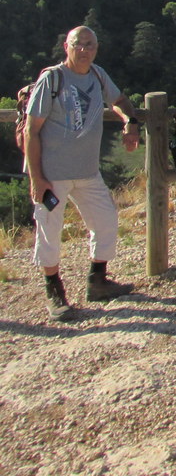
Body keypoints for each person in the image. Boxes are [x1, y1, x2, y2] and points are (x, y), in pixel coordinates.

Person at [24, 26, 139, 320]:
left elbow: (121, 101)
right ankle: (54, 291)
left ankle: (97, 281)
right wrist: (37, 177)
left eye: (90, 45)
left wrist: (131, 122)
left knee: (106, 222)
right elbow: (31, 130)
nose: (84, 50)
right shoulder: (53, 79)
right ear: (66, 46)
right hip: (53, 175)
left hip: (87, 172)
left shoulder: (98, 75)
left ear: (97, 48)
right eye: (78, 45)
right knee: (49, 231)